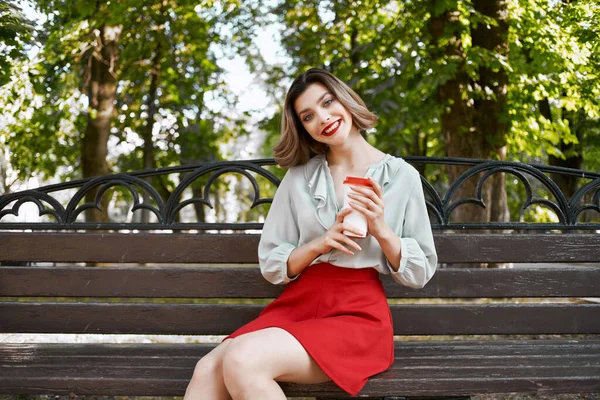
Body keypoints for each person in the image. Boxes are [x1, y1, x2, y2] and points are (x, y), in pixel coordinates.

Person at [183, 68, 438, 400]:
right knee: (207, 368)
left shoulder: (401, 176)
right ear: (303, 128)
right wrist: (320, 243)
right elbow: (272, 263)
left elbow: (420, 272)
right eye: (308, 116)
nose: (323, 117)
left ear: (345, 100)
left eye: (327, 102)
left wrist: (381, 229)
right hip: (298, 303)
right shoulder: (299, 178)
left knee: (243, 360)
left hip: (357, 312)